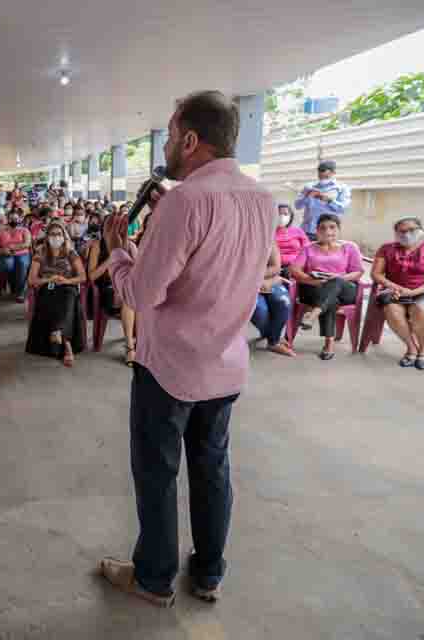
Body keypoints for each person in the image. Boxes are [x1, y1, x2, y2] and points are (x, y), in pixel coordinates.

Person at [96, 91, 276, 607]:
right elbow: (225, 262)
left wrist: (120, 253)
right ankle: (209, 573)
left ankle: (154, 579)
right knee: (212, 468)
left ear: (191, 139)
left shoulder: (185, 200)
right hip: (225, 365)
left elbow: (141, 295)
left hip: (170, 368)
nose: (170, 145)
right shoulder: (261, 198)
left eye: (172, 136)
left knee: (157, 474)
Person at [289, 213, 363, 360]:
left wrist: (339, 279)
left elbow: (358, 272)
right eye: (322, 228)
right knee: (330, 299)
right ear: (317, 230)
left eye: (332, 227)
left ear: (339, 229)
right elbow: (294, 270)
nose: (328, 231)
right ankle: (329, 343)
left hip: (345, 289)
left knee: (334, 283)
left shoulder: (349, 247)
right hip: (314, 288)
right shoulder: (308, 248)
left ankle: (313, 314)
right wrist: (312, 281)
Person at [370, 216, 424, 369]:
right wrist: (395, 288)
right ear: (396, 233)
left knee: (419, 307)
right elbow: (376, 274)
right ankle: (411, 348)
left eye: (412, 230)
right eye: (402, 231)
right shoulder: (386, 248)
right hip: (394, 289)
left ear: (421, 231)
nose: (406, 234)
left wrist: (412, 292)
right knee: (391, 308)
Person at [26, 223, 86, 366]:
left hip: (67, 287)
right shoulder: (40, 252)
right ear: (47, 237)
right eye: (52, 234)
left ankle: (58, 332)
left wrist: (66, 280)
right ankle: (67, 347)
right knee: (51, 298)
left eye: (59, 234)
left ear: (64, 236)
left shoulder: (71, 253)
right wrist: (48, 279)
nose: (56, 237)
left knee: (67, 299)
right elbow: (31, 280)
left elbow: (82, 277)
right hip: (48, 287)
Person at [88, 214, 138, 366]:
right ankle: (130, 347)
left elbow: (139, 273)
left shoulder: (130, 246)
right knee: (127, 298)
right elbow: (91, 276)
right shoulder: (98, 246)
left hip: (127, 286)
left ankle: (143, 343)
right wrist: (111, 259)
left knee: (133, 296)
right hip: (106, 288)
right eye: (109, 227)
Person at [251, 243, 294, 356]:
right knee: (259, 310)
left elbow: (275, 266)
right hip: (244, 283)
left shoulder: (268, 237)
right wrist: (255, 282)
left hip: (269, 279)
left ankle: (273, 341)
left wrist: (266, 281)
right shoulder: (234, 237)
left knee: (283, 302)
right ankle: (270, 335)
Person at [294, 160, 351, 239]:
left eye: (325, 174)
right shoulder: (309, 187)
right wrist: (307, 196)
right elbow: (297, 206)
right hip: (308, 230)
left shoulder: (342, 188)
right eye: (320, 173)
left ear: (333, 172)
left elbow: (343, 209)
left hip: (328, 232)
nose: (322, 175)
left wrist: (328, 200)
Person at [0, 212, 32, 302]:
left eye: (16, 218)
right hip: (5, 254)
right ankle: (10, 286)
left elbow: (27, 244)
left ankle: (20, 292)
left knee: (21, 264)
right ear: (8, 220)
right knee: (7, 265)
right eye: (11, 218)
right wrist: (3, 251)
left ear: (19, 220)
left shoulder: (24, 230)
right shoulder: (1, 232)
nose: (13, 220)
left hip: (22, 254)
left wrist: (13, 247)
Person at [274, 203, 309, 273]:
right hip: (276, 266)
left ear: (290, 217)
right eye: (279, 214)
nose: (282, 216)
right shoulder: (268, 233)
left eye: (285, 214)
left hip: (297, 266)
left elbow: (307, 248)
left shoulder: (298, 231)